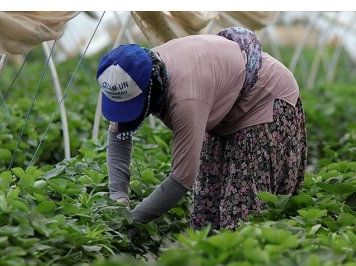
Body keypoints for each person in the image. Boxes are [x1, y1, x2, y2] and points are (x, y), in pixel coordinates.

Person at [96, 27, 306, 231]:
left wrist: (132, 220)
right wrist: (118, 196)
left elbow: (182, 178)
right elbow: (118, 134)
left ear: (150, 89)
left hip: (266, 97)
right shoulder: (137, 70)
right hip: (226, 100)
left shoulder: (185, 99)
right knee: (208, 207)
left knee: (242, 214)